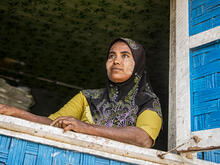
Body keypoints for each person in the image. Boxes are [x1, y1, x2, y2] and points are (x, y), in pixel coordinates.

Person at [0, 38, 162, 148]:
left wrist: (85, 128)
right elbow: (52, 122)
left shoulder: (147, 101)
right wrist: (15, 112)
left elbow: (143, 138)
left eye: (125, 56)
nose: (116, 61)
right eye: (111, 56)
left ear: (138, 64)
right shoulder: (88, 97)